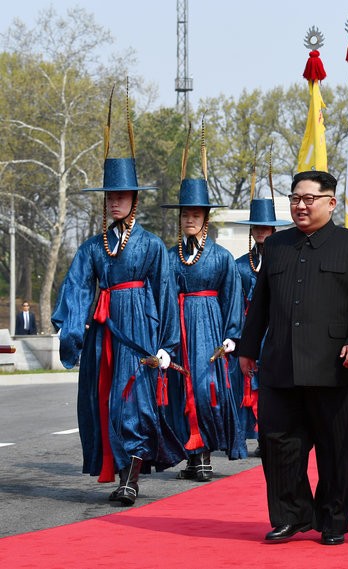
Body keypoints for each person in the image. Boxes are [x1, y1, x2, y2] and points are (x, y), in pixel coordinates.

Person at [238, 170, 348, 546]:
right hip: (280, 362)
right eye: (295, 198)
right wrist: (248, 349)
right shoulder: (278, 246)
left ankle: (333, 520)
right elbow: (260, 303)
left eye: (309, 198)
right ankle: (291, 515)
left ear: (331, 202)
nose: (300, 205)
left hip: (333, 364)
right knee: (276, 443)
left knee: (334, 449)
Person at [52, 156, 186, 506]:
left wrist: (166, 345)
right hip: (103, 332)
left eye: (122, 195)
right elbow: (78, 287)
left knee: (135, 403)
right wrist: (71, 331)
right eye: (110, 195)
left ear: (134, 199)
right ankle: (120, 469)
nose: (115, 201)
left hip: (139, 330)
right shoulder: (93, 247)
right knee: (105, 402)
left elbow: (165, 293)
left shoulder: (152, 245)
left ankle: (131, 480)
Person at [162, 177, 246, 482]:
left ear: (205, 219)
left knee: (205, 389)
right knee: (180, 391)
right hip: (177, 329)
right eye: (185, 215)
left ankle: (205, 453)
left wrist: (231, 335)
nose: (190, 220)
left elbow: (232, 297)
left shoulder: (222, 257)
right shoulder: (169, 258)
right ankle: (191, 456)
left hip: (209, 329)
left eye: (195, 215)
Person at [230, 198, 292, 454]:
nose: (261, 233)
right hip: (249, 326)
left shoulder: (284, 259)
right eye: (257, 228)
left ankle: (272, 434)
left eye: (265, 228)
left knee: (273, 382)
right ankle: (243, 436)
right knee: (245, 383)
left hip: (276, 327)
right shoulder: (240, 265)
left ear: (274, 230)